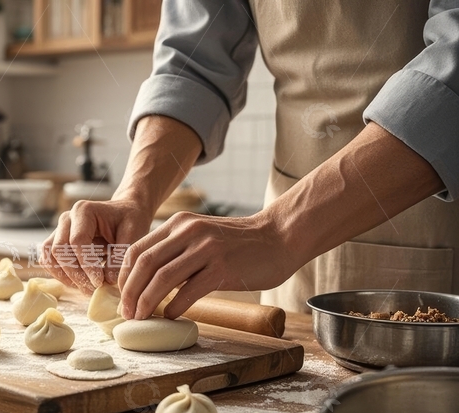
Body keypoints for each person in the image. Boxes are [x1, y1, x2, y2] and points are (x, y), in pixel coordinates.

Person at [41, 0, 459, 317]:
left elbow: (452, 70)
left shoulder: (275, 234)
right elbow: (192, 67)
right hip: (286, 254)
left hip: (426, 224)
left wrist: (278, 231)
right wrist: (133, 197)